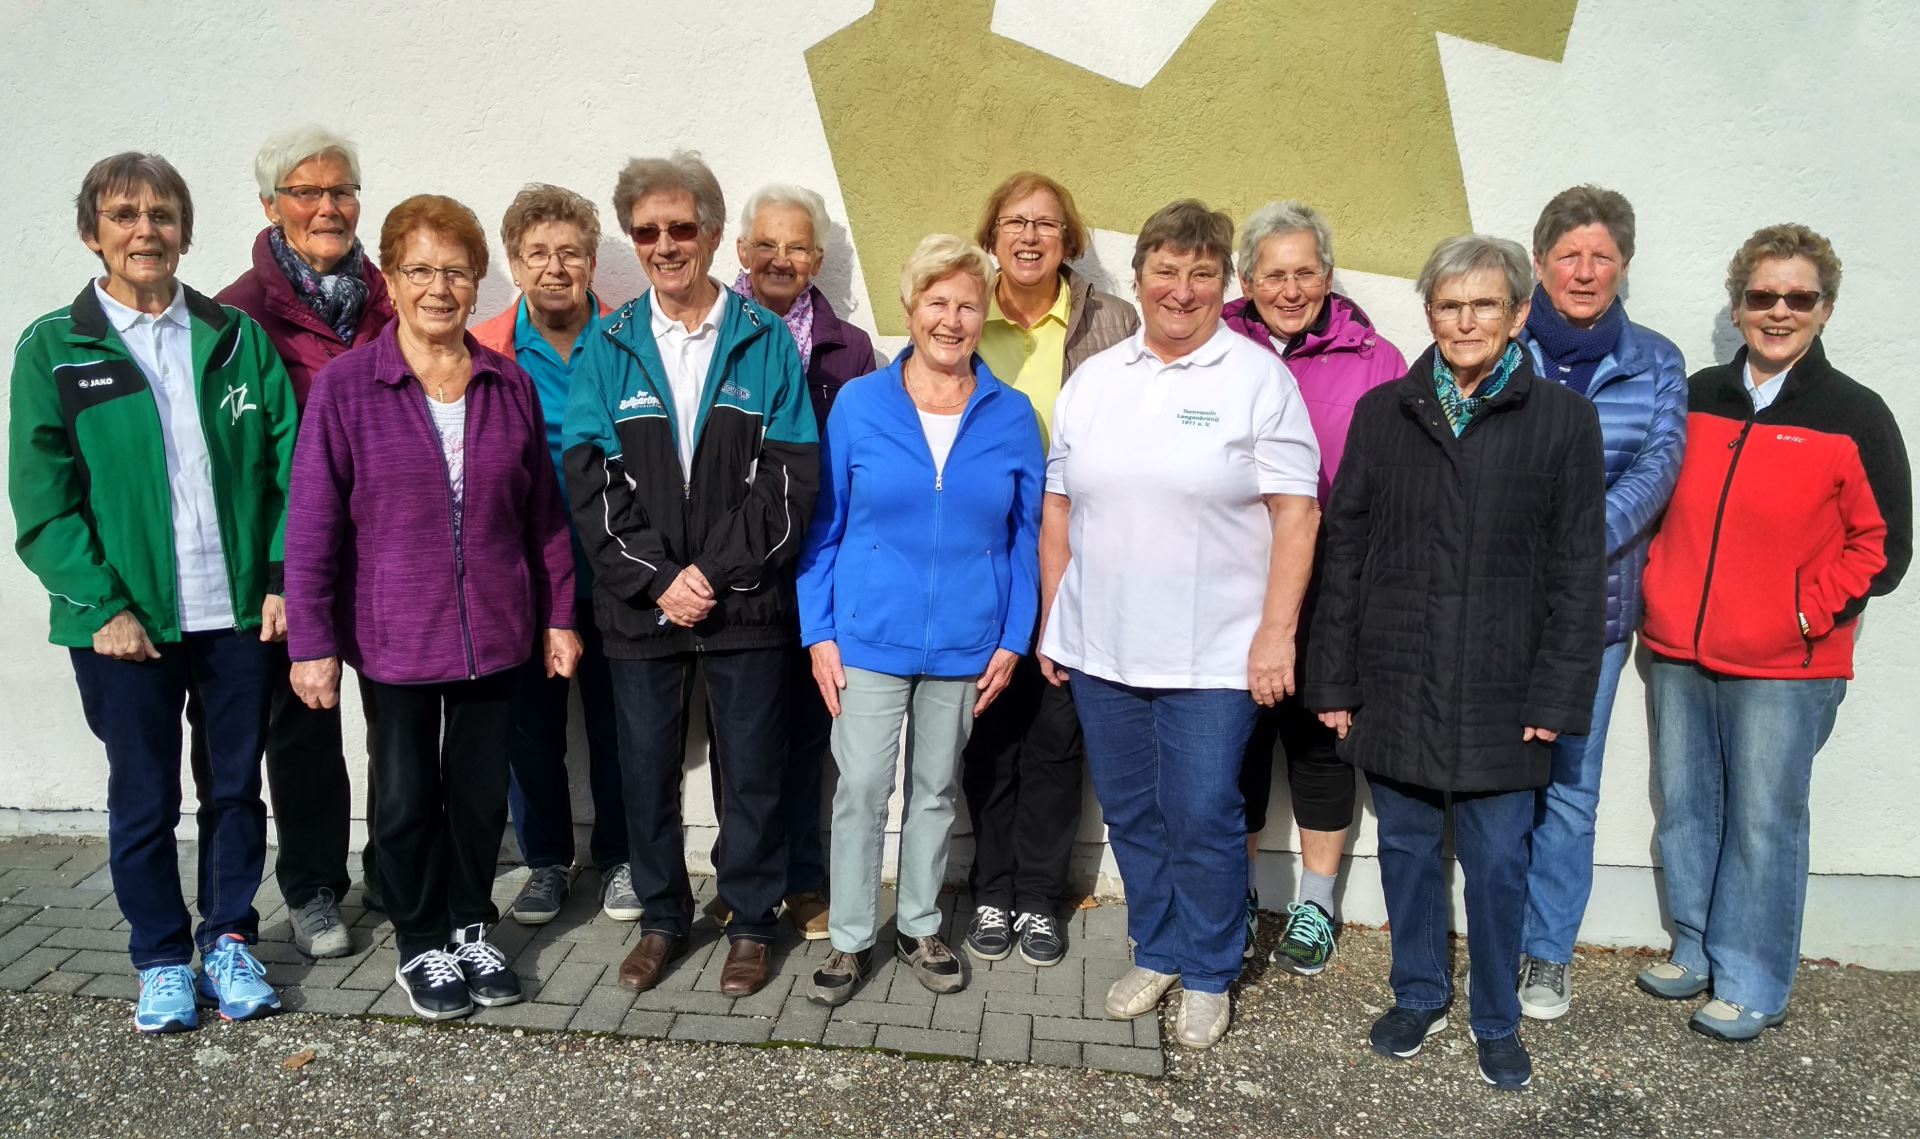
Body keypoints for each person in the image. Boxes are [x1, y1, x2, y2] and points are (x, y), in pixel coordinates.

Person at [1306, 234, 1605, 1090]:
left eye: (1484, 305)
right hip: (1395, 680)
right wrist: (1333, 679)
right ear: (1429, 313)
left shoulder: (1561, 422)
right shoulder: (1384, 412)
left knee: (1500, 861)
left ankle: (1497, 1016)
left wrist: (1557, 691)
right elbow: (1348, 549)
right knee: (1403, 848)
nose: (1465, 321)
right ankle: (1418, 991)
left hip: (1504, 692)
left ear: (1518, 315)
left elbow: (1578, 571)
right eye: (1448, 305)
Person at [9, 153, 297, 1032]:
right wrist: (103, 607)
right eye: (125, 214)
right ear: (91, 231)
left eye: (162, 214)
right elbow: (43, 501)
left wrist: (284, 577)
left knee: (236, 788)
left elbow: (291, 468)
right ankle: (163, 957)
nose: (146, 230)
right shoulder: (54, 346)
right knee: (144, 794)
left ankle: (230, 938)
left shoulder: (236, 336)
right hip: (121, 626)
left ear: (186, 228)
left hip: (237, 614)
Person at [285, 194, 581, 1021]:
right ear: (392, 277)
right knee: (409, 792)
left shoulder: (507, 384)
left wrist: (559, 616)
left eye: (455, 271)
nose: (439, 288)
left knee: (483, 793)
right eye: (420, 270)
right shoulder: (348, 388)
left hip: (497, 629)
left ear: (476, 279)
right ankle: (419, 937)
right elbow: (311, 523)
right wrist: (310, 641)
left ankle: (469, 922)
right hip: (395, 634)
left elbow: (544, 520)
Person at [1040, 200, 1322, 1049]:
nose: (1182, 288)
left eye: (1203, 272)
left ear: (1225, 283)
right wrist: (1058, 619)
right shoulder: (1096, 378)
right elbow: (1060, 506)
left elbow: (1297, 515)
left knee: (1201, 809)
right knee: (1131, 810)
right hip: (1103, 647)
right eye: (1165, 269)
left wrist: (1277, 633)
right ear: (1139, 278)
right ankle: (1156, 945)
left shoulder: (1256, 379)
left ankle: (1208, 968)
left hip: (1213, 653)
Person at [1637, 224, 1910, 1042]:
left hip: (1785, 665)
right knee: (1687, 805)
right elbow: (1653, 498)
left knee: (1763, 820)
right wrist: (1659, 589)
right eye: (1762, 296)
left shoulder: (1855, 413)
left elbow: (1884, 549)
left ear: (1825, 308)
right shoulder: (1696, 394)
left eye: (1798, 297)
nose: (1779, 311)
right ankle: (1695, 946)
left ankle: (1753, 979)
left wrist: (1800, 614)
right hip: (1682, 647)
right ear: (1739, 304)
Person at [562, 151, 819, 1000]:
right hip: (640, 609)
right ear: (632, 241)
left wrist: (709, 572)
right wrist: (659, 578)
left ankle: (750, 920)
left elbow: (788, 483)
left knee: (752, 771)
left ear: (712, 234)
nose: (665, 244)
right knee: (644, 772)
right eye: (647, 231)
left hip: (745, 605)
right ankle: (664, 917)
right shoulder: (605, 345)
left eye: (681, 227)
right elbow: (590, 483)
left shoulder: (764, 338)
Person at [796, 234, 1043, 1005]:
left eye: (968, 303)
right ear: (911, 308)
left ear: (983, 315)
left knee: (935, 789)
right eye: (937, 301)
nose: (952, 317)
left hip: (968, 641)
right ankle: (848, 939)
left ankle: (920, 923)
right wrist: (818, 630)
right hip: (869, 634)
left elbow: (1029, 534)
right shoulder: (862, 404)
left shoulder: (1012, 415)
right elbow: (823, 526)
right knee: (862, 786)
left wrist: (1014, 634)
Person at [214, 125, 395, 955]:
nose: (328, 206)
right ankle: (316, 885)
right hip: (295, 559)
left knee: (401, 716)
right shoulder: (235, 316)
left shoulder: (388, 298)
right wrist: (280, 569)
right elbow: (237, 459)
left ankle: (395, 869)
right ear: (270, 205)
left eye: (342, 190)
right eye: (306, 192)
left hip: (393, 548)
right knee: (303, 722)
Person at [1513, 185, 1686, 1021]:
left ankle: (1547, 955)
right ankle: (1495, 928)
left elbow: (1658, 468)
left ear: (1623, 265)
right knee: (1500, 778)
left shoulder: (1656, 359)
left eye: (1602, 256)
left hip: (1599, 611)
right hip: (1500, 604)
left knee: (1572, 787)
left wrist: (1573, 539)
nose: (1585, 271)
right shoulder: (1501, 342)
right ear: (1540, 262)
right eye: (1569, 255)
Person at [961, 172, 1138, 968]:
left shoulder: (1112, 322)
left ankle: (1038, 894)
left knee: (1057, 736)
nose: (1029, 237)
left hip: (1079, 565)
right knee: (990, 733)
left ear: (1070, 241)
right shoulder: (964, 313)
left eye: (1046, 224)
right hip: (984, 565)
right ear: (990, 235)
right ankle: (990, 885)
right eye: (1012, 222)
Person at [1225, 200, 1405, 974]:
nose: (1290, 288)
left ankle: (1316, 903)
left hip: (1333, 585)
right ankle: (1229, 894)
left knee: (1319, 748)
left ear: (1328, 277)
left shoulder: (1378, 359)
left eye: (1304, 272)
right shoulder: (1214, 343)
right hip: (1229, 585)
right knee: (1228, 751)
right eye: (1274, 273)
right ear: (1248, 279)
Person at [470, 184, 632, 927]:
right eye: (538, 253)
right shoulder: (488, 350)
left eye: (570, 251)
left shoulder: (629, 337)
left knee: (620, 724)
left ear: (592, 261)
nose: (555, 266)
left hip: (623, 572)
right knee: (531, 730)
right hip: (527, 578)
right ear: (514, 263)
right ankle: (545, 861)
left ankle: (623, 855)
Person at [725, 182, 879, 940]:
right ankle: (740, 871)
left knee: (812, 731)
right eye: (767, 243)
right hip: (732, 566)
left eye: (796, 246)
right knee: (740, 730)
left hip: (817, 563)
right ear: (741, 251)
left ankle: (804, 877)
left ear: (817, 258)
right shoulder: (715, 331)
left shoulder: (849, 348)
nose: (780, 257)